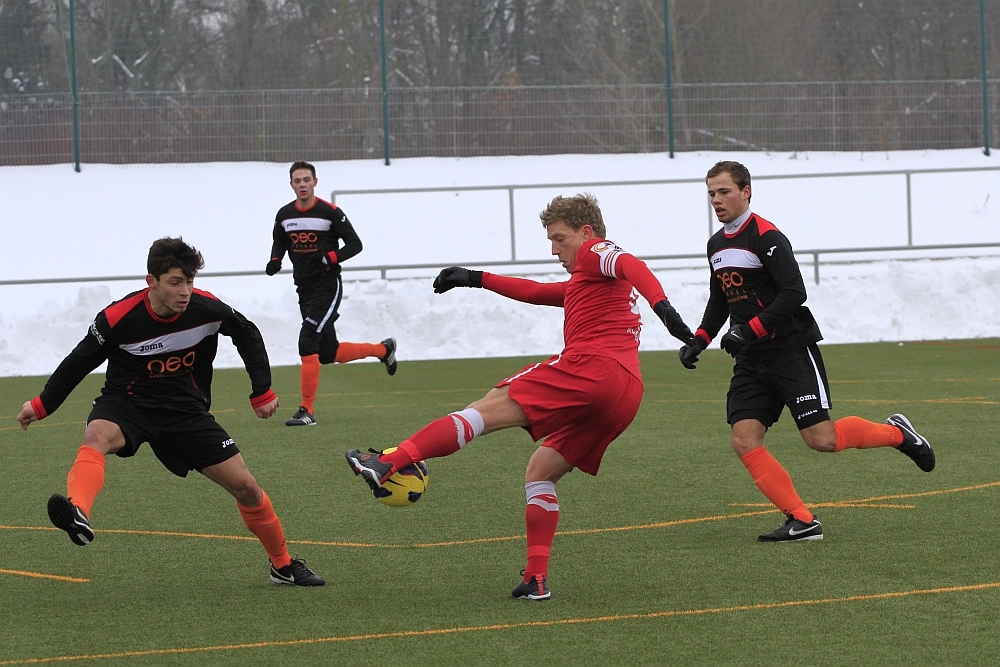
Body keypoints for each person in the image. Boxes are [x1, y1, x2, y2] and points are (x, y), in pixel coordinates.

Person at [346, 193, 695, 600]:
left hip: (592, 367)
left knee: (484, 408)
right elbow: (534, 292)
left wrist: (664, 308)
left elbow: (631, 264)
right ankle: (536, 577)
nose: (554, 250)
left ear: (586, 233)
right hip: (625, 393)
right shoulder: (588, 281)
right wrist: (474, 277)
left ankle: (388, 463)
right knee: (540, 472)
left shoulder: (595, 252)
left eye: (559, 239)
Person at [17, 237, 324, 586]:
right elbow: (79, 361)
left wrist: (262, 390)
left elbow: (248, 334)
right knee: (96, 436)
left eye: (189, 281)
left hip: (185, 410)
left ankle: (283, 566)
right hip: (128, 404)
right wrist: (42, 404)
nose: (185, 291)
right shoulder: (118, 317)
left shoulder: (207, 308)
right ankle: (78, 512)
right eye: (176, 282)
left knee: (247, 488)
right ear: (152, 281)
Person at [678, 160, 935, 542]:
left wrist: (750, 329)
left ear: (746, 192)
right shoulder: (716, 245)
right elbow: (720, 300)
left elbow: (794, 293)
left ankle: (897, 434)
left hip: (790, 350)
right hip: (751, 360)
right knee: (743, 440)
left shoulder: (766, 236)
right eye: (711, 193)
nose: (716, 199)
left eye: (724, 191)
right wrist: (699, 339)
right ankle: (802, 520)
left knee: (821, 440)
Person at [266, 160, 397, 426]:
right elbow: (279, 241)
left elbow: (355, 244)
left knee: (307, 339)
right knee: (327, 353)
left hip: (327, 285)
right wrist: (275, 260)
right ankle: (383, 350)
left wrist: (330, 258)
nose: (302, 185)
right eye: (297, 181)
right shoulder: (284, 214)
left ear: (315, 182)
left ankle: (307, 410)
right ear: (291, 185)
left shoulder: (330, 212)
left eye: (306, 180)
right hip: (303, 287)